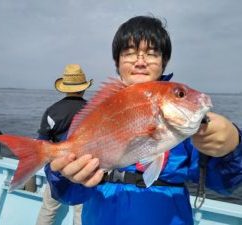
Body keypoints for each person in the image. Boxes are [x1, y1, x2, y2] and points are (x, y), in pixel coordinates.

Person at [45, 16, 242, 225]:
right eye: (129, 53)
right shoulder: (101, 110)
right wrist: (64, 176)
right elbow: (67, 195)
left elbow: (223, 183)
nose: (140, 61)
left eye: (151, 54)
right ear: (117, 62)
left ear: (164, 62)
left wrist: (232, 148)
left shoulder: (189, 127)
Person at [35, 64, 93, 225]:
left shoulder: (52, 110)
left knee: (49, 210)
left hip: (57, 168)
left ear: (65, 88)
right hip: (83, 168)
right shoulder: (92, 110)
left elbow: (42, 142)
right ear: (84, 88)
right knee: (81, 212)